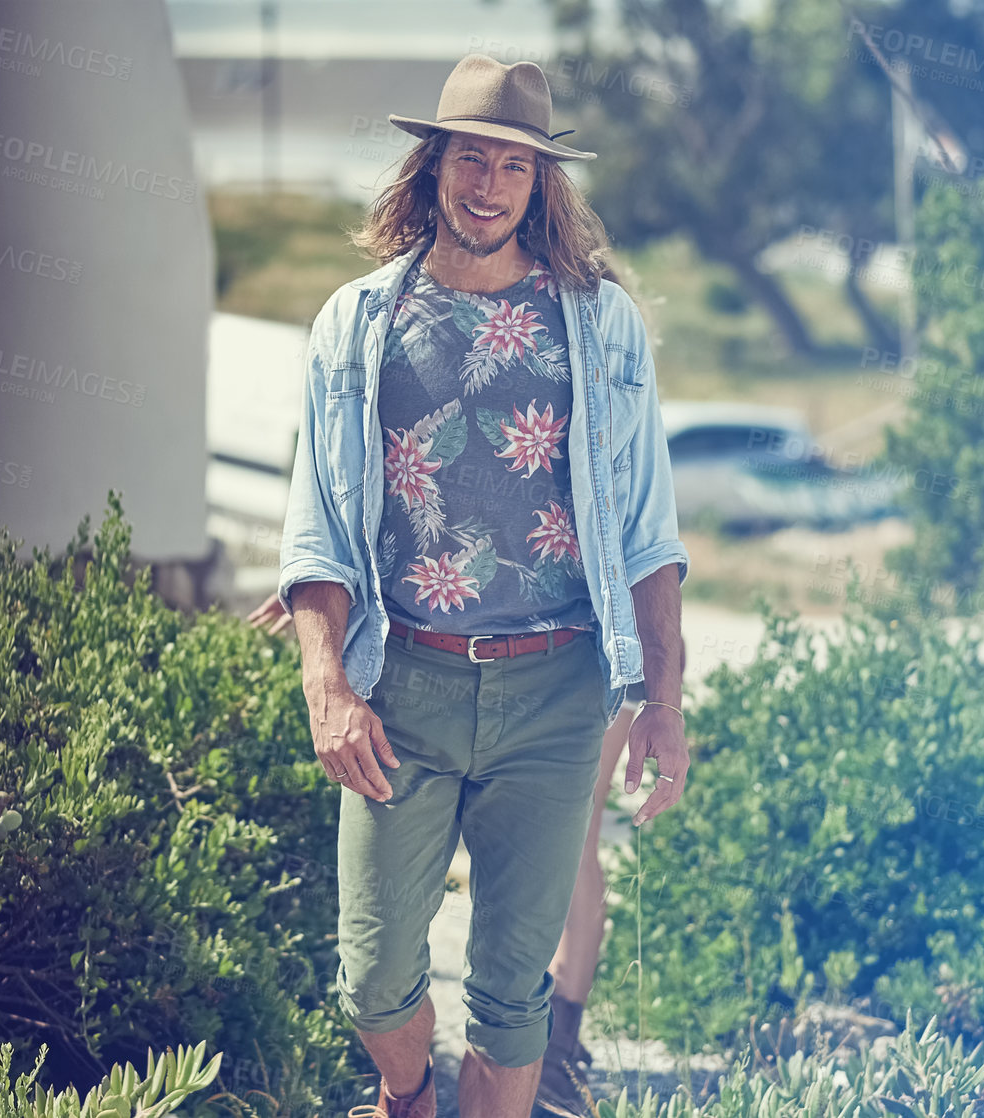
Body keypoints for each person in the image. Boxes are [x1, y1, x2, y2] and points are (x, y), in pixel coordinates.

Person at [270, 52, 692, 1118]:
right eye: (469, 159)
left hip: (553, 690)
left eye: (513, 166)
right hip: (399, 680)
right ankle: (408, 1092)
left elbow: (647, 530)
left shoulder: (599, 328)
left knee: (512, 999)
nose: (487, 184)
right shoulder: (357, 324)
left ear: (539, 183)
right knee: (370, 980)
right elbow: (315, 523)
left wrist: (664, 705)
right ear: (432, 168)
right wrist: (327, 682)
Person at [254, 590, 654, 1117]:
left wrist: (663, 693)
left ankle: (559, 1037)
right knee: (379, 970)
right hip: (470, 658)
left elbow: (647, 551)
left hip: (598, 653)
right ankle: (502, 1057)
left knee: (579, 841)